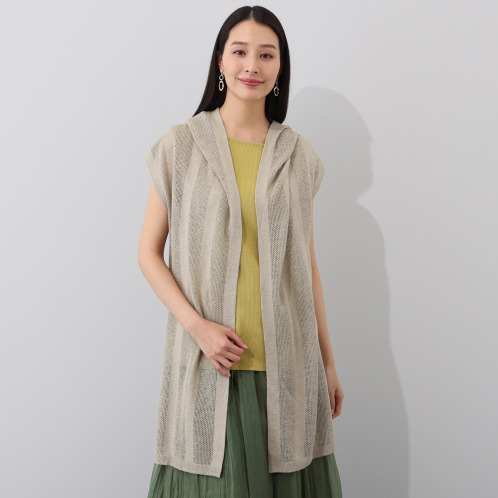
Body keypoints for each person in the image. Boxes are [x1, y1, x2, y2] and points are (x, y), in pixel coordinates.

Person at [138, 5, 344, 497]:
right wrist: (198, 328)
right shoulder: (180, 146)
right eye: (240, 51)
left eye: (266, 55)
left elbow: (306, 267)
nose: (252, 65)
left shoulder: (299, 156)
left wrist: (328, 362)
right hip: (211, 362)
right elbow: (148, 253)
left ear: (280, 68)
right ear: (220, 61)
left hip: (287, 365)